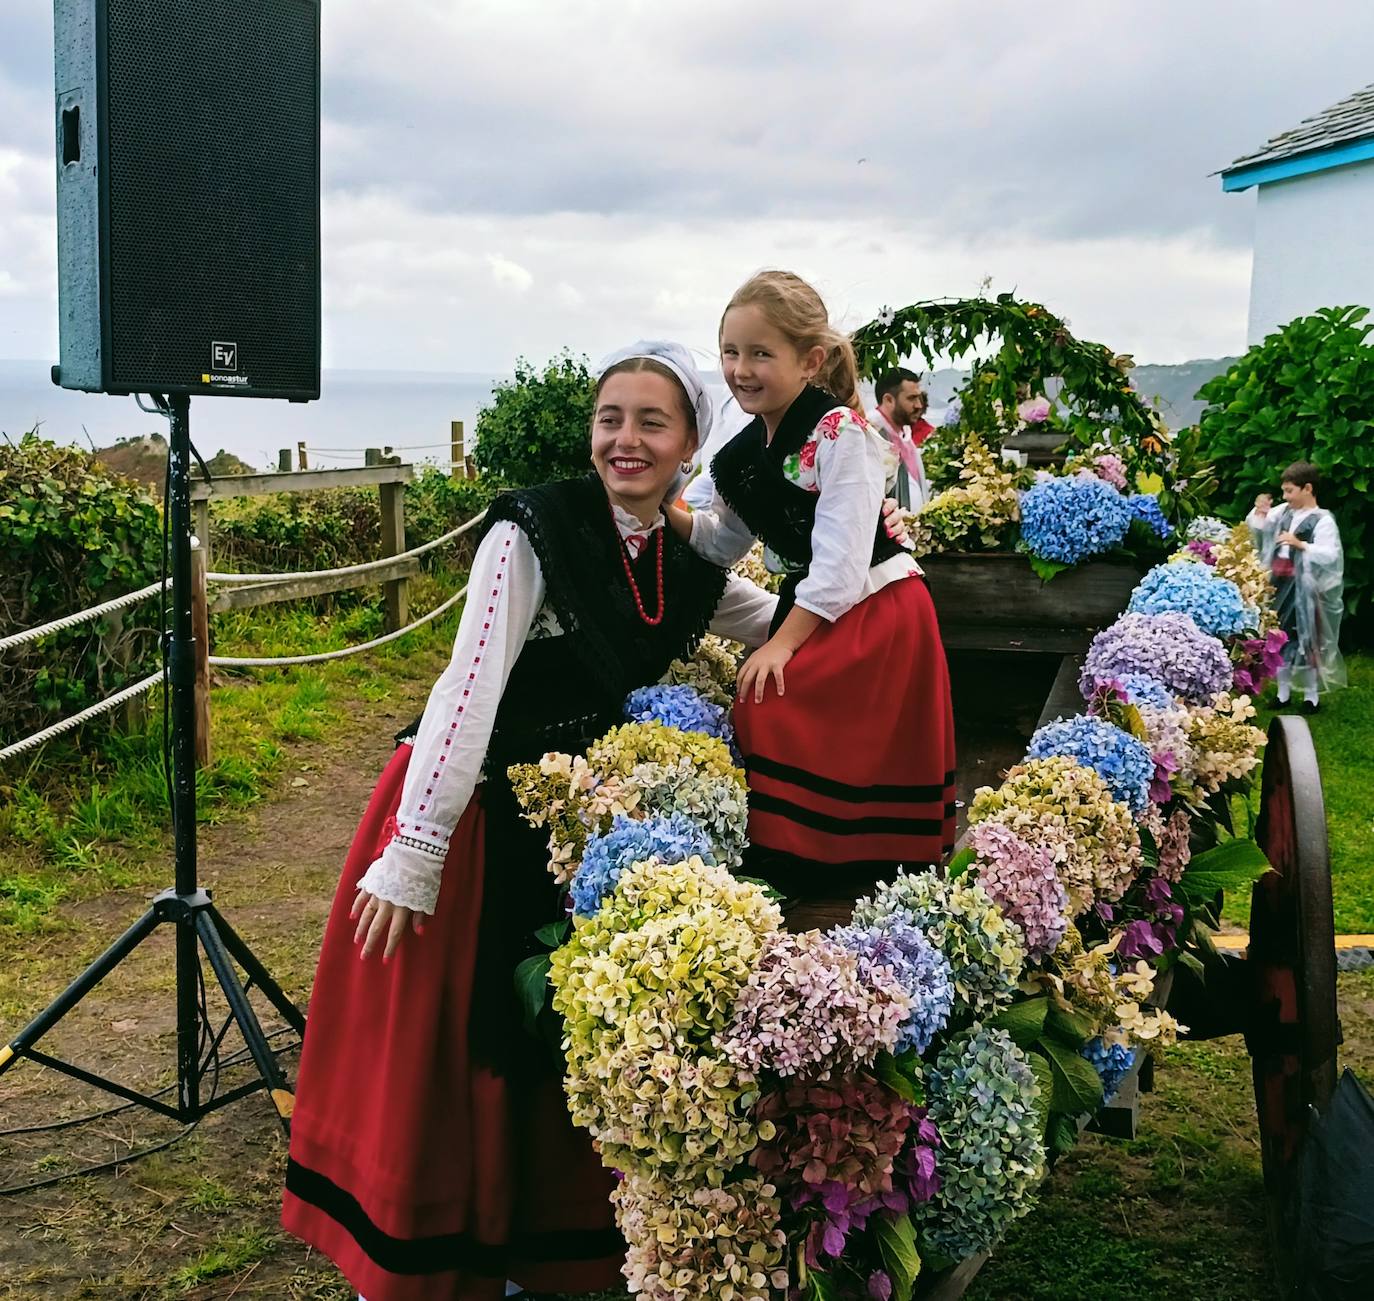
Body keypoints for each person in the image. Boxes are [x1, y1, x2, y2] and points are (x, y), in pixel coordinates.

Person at [280, 342, 782, 1301]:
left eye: (651, 422)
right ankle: (435, 1252)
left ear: (688, 448)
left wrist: (868, 556)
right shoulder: (534, 530)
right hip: (463, 813)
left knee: (541, 1040)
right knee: (455, 1044)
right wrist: (416, 849)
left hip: (560, 824)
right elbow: (466, 688)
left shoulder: (676, 561)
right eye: (610, 418)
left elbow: (783, 620)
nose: (624, 440)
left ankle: (529, 1253)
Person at [666, 270, 956, 920]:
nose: (741, 369)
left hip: (880, 606)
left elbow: (842, 562)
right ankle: (811, 853)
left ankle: (835, 857)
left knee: (772, 696)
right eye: (731, 352)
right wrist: (667, 509)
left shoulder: (841, 434)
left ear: (810, 360)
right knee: (773, 701)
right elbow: (720, 544)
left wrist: (780, 644)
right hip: (825, 605)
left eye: (761, 353)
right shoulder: (741, 455)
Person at [1246, 460, 1346, 711]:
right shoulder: (1283, 512)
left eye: (1290, 491)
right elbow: (1259, 525)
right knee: (1278, 636)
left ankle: (1311, 696)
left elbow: (1331, 554)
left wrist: (1301, 545)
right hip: (1278, 583)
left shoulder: (1322, 520)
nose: (1285, 496)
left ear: (1308, 489)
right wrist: (1260, 510)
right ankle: (1282, 693)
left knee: (1307, 636)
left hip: (1305, 587)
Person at [869, 367, 930, 509]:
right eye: (911, 398)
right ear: (889, 400)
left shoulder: (904, 434)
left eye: (919, 398)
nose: (919, 405)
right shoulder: (872, 436)